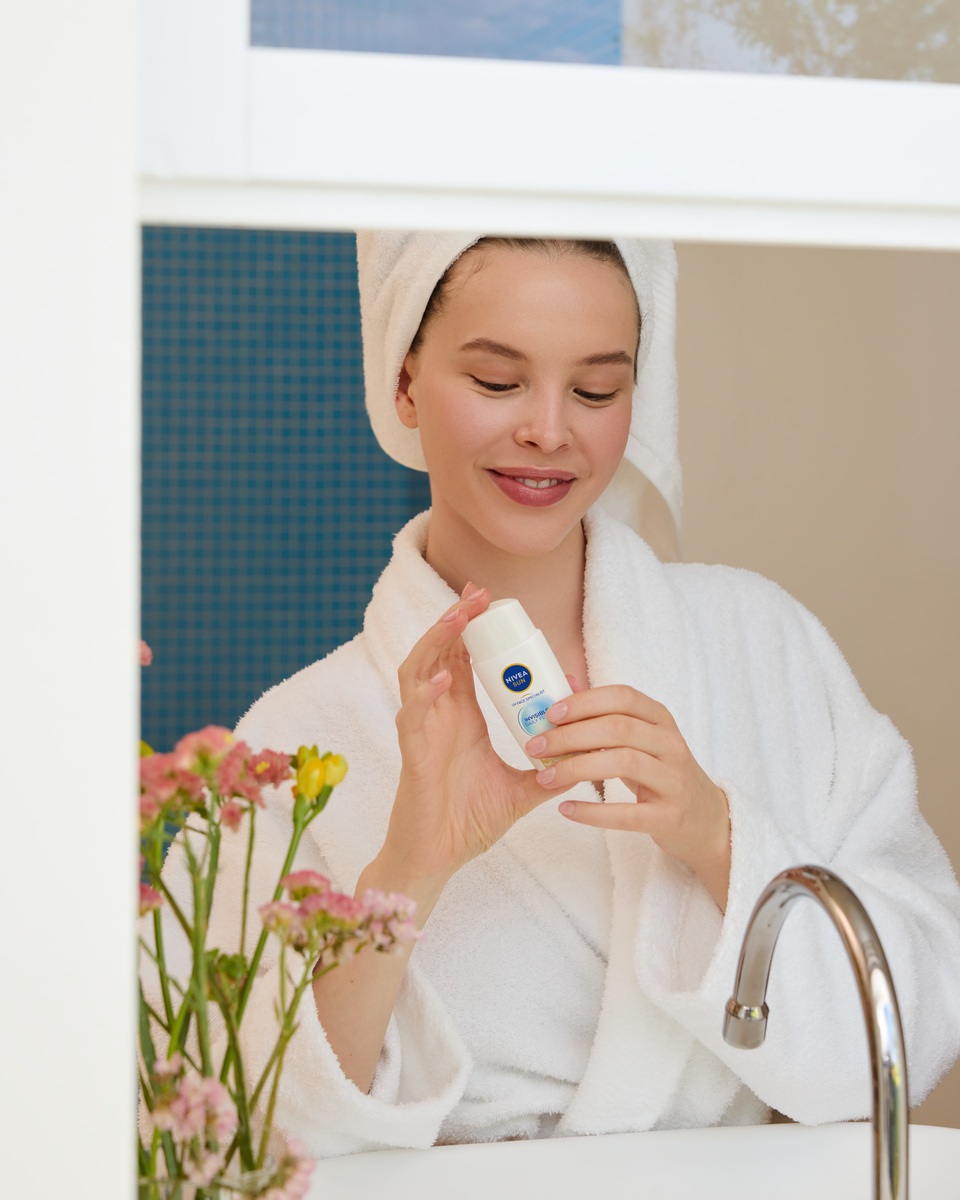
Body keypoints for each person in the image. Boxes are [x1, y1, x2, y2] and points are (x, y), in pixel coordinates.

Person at [156, 232, 960, 1158]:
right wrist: (408, 871)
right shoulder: (298, 739)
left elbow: (915, 1011)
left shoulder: (761, 641)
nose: (549, 429)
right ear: (407, 383)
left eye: (596, 390)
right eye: (498, 383)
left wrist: (714, 833)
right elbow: (227, 1125)